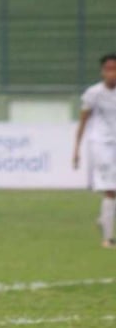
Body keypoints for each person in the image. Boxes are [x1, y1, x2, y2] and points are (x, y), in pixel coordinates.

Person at [73, 53, 116, 248]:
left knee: (112, 191)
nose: (112, 74)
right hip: (101, 144)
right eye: (109, 69)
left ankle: (103, 220)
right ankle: (107, 239)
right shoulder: (93, 93)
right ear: (102, 71)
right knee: (111, 189)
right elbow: (83, 120)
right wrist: (76, 149)